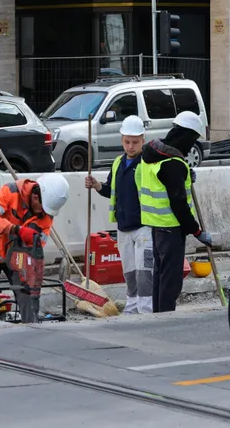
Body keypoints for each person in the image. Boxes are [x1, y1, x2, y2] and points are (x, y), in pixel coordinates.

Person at [137, 111, 214, 313]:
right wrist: (197, 231)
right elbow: (179, 203)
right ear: (187, 136)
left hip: (156, 226)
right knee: (170, 282)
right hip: (171, 228)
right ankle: (166, 322)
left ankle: (157, 316)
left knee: (160, 277)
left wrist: (185, 174)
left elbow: (160, 185)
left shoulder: (150, 154)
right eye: (193, 139)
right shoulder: (173, 164)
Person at [0, 173, 69, 323]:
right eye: (43, 209)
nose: (44, 214)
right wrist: (15, 229)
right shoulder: (10, 191)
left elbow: (36, 249)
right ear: (35, 197)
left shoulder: (47, 214)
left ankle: (31, 332)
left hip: (18, 255)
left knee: (27, 297)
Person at [84, 115, 150, 313]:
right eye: (127, 142)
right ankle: (132, 307)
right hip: (123, 226)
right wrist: (96, 186)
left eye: (135, 142)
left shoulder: (147, 163)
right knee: (129, 271)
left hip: (144, 227)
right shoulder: (117, 163)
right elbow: (110, 190)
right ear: (122, 140)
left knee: (144, 272)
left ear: (142, 141)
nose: (130, 146)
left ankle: (146, 309)